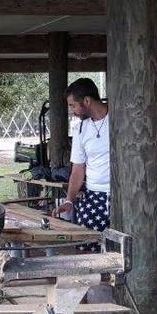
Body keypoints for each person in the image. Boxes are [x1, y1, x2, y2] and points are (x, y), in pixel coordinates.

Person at [51, 77, 110, 249]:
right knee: (88, 248)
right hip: (94, 196)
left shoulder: (120, 120)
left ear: (87, 101)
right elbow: (78, 168)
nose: (71, 111)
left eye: (72, 105)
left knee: (124, 250)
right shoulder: (80, 130)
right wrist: (69, 200)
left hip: (124, 196)